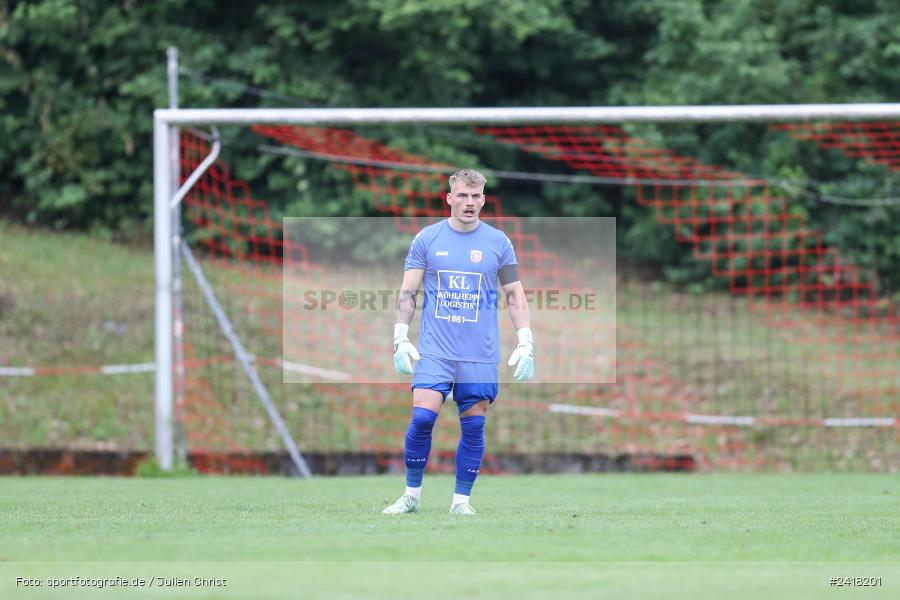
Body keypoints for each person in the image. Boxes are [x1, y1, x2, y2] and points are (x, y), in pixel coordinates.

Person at [383, 168, 534, 516]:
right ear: (449, 198)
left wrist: (525, 341)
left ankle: (461, 503)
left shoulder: (499, 243)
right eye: (462, 196)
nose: (469, 202)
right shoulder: (427, 239)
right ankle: (411, 496)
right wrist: (399, 336)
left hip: (479, 354)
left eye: (476, 196)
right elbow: (409, 291)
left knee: (475, 425)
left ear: (483, 200)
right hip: (436, 350)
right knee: (422, 418)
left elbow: (514, 294)